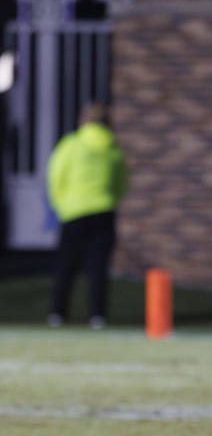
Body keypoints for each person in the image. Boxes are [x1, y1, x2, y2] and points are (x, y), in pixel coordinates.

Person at [47, 102, 128, 329]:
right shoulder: (112, 147)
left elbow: (55, 175)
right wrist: (111, 200)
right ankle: (97, 316)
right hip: (103, 211)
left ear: (84, 120)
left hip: (73, 212)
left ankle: (57, 313)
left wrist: (62, 205)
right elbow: (122, 181)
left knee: (66, 265)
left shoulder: (72, 144)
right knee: (98, 267)